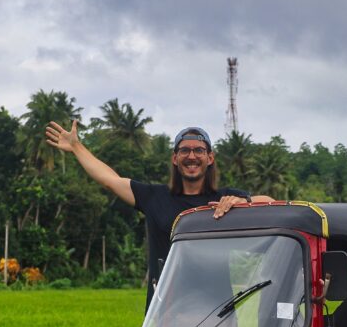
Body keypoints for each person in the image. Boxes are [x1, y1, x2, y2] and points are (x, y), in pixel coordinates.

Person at [45, 121, 263, 307]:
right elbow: (110, 180)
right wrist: (77, 147)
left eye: (199, 150)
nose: (192, 156)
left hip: (217, 312)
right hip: (166, 312)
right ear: (175, 159)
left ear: (210, 158)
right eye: (184, 150)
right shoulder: (154, 197)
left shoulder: (226, 199)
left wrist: (243, 202)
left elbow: (273, 203)